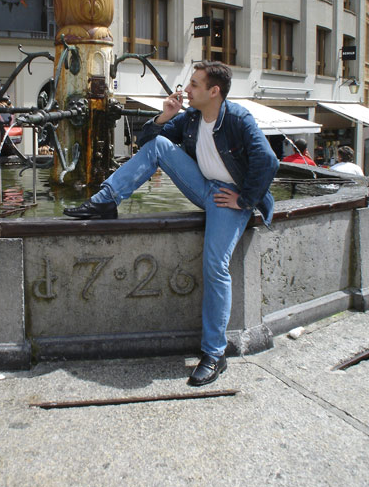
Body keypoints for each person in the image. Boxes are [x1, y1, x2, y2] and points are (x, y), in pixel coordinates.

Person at [64, 61, 279, 386]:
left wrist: (244, 200)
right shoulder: (192, 117)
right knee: (161, 146)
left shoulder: (237, 118)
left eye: (194, 84)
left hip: (228, 197)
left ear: (214, 91)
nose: (186, 89)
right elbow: (148, 143)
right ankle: (105, 201)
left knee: (215, 265)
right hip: (203, 186)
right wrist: (165, 115)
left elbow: (268, 160)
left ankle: (214, 354)